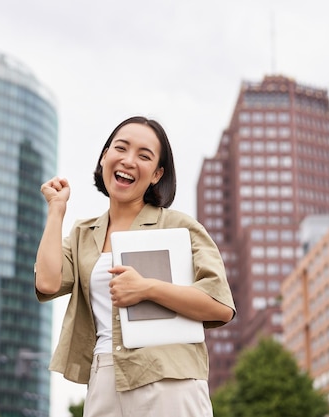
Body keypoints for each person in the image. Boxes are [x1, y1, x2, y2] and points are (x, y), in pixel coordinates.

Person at [35, 116, 236, 416]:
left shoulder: (179, 227)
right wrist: (56, 210)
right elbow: (47, 283)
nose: (129, 160)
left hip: (168, 378)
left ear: (157, 174)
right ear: (104, 157)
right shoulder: (82, 234)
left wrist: (148, 289)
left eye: (144, 156)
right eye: (121, 148)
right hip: (103, 377)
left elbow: (220, 305)